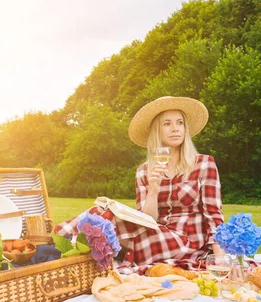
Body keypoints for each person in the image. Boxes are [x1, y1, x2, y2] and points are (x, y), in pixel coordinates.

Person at [55, 96, 225, 274]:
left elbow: (214, 216)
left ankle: (61, 251)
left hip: (189, 243)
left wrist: (220, 259)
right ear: (156, 131)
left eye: (180, 123)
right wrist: (153, 191)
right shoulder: (144, 171)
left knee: (107, 232)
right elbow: (145, 221)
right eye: (167, 124)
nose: (175, 128)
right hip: (156, 234)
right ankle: (58, 242)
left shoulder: (204, 164)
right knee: (102, 213)